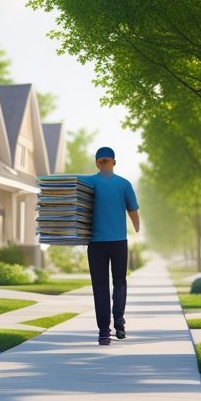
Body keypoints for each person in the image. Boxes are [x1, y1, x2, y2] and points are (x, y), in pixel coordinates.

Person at [83, 147, 140, 345]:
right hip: (116, 242)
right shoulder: (123, 184)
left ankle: (104, 332)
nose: (105, 163)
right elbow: (132, 209)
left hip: (98, 243)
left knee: (101, 286)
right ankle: (118, 322)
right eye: (104, 161)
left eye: (105, 161)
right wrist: (137, 226)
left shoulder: (89, 182)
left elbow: (75, 198)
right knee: (119, 282)